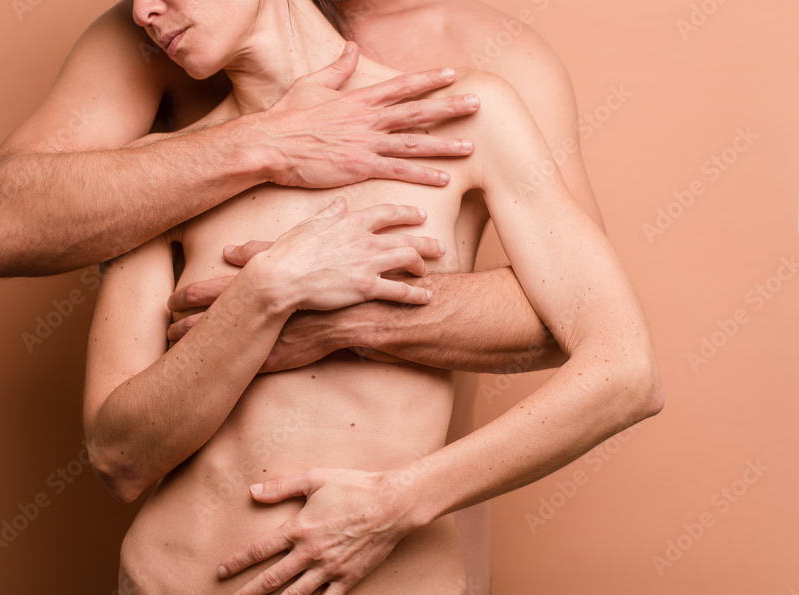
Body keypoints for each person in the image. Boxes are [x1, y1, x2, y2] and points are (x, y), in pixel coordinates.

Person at [77, 1, 662, 593]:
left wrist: (398, 503)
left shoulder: (465, 115)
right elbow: (118, 459)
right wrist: (266, 289)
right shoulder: (160, 173)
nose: (144, 11)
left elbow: (625, 371)